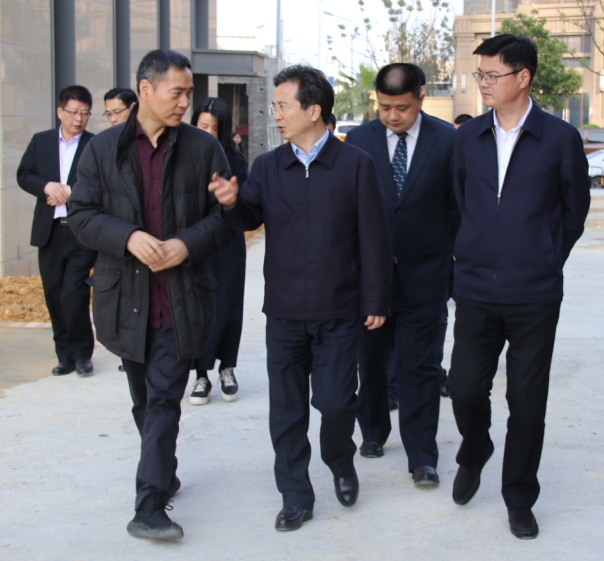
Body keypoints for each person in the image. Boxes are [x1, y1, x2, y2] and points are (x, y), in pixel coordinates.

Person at [210, 64, 391, 532]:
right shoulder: (269, 166)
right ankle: (295, 494)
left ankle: (340, 458)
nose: (276, 115)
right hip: (285, 312)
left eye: (282, 106)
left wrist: (375, 299)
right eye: (274, 106)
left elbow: (375, 236)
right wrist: (231, 203)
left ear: (313, 111)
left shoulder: (355, 165)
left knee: (336, 403)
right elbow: (249, 217)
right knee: (287, 412)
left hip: (339, 311)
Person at [67, 49, 234, 540]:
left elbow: (225, 219)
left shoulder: (205, 149)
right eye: (176, 92)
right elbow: (80, 214)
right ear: (145, 89)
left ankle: (149, 506)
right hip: (126, 301)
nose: (185, 102)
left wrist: (187, 244)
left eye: (188, 93)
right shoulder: (102, 150)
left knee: (164, 400)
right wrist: (126, 236)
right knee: (145, 401)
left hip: (181, 300)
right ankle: (164, 470)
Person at [450, 34, 590, 539]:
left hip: (534, 295)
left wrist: (545, 258)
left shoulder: (559, 138)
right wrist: (472, 252)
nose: (482, 83)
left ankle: (519, 497)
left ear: (523, 77)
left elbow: (574, 211)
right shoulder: (468, 137)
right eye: (479, 74)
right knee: (464, 389)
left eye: (492, 75)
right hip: (474, 290)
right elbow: (459, 202)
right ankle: (475, 448)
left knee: (528, 403)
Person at [346, 63, 459, 487]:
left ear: (422, 96)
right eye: (384, 107)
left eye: (402, 108)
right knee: (371, 362)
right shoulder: (360, 140)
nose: (392, 116)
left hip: (426, 276)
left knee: (422, 367)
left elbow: (457, 208)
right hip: (370, 278)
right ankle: (374, 430)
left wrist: (450, 264)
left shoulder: (448, 140)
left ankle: (422, 456)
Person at [17, 86, 97, 377]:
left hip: (80, 232)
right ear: (60, 112)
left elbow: (102, 184)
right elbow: (23, 174)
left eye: (85, 113)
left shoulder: (94, 145)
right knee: (53, 293)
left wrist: (71, 192)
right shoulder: (41, 142)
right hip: (49, 231)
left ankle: (83, 354)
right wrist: (47, 187)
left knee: (74, 292)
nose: (79, 119)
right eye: (74, 112)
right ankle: (64, 356)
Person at [189, 98, 248, 405]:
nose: (209, 133)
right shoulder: (182, 156)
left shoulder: (234, 160)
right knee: (199, 307)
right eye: (203, 126)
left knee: (227, 305)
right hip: (194, 241)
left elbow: (245, 202)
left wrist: (232, 199)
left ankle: (227, 368)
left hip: (227, 242)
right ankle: (201, 374)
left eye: (215, 128)